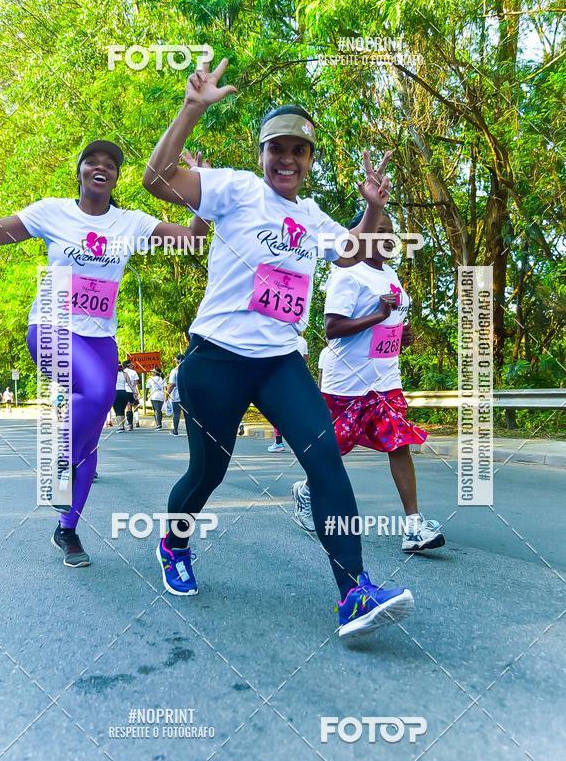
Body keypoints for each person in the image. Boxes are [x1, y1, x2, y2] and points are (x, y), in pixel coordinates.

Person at [143, 57, 414, 638]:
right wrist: (191, 108)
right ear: (262, 154)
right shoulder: (235, 189)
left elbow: (364, 250)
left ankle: (354, 592)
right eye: (277, 149)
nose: (287, 160)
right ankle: (173, 541)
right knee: (206, 473)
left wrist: (371, 203)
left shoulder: (312, 215)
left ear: (310, 161)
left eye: (299, 151)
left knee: (325, 464)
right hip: (216, 359)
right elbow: (158, 179)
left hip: (279, 362)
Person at [0, 141, 207, 567]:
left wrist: (204, 194)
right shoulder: (52, 212)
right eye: (92, 162)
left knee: (92, 434)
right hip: (51, 325)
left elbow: (192, 239)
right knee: (97, 396)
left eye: (110, 165)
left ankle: (68, 529)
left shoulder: (130, 222)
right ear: (79, 172)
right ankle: (57, 457)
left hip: (100, 340)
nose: (101, 168)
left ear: (116, 178)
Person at [291, 213, 445, 553]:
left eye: (392, 231)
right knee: (331, 451)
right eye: (380, 230)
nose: (389, 236)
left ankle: (413, 526)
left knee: (399, 441)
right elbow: (332, 328)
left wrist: (400, 335)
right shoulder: (347, 273)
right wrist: (377, 315)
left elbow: (388, 324)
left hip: (385, 379)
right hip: (346, 383)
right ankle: (306, 489)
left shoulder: (390, 274)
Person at [267, 331, 309, 452]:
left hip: (280, 378)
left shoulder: (279, 337)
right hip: (298, 378)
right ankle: (298, 444)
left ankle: (279, 442)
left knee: (278, 411)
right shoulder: (303, 341)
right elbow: (305, 359)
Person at [164, 354, 184, 434]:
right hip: (187, 396)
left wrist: (167, 395)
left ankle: (175, 430)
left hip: (177, 396)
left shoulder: (174, 371)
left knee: (176, 413)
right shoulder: (188, 369)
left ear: (178, 360)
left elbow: (171, 384)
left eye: (176, 360)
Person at [123, 358, 139, 431]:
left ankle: (128, 423)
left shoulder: (122, 372)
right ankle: (130, 424)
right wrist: (136, 392)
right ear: (129, 365)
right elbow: (135, 383)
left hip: (123, 390)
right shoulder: (133, 372)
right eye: (131, 365)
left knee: (127, 408)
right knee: (131, 408)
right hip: (131, 391)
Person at [113, 362, 130, 432]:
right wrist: (134, 392)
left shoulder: (112, 374)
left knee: (117, 411)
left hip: (116, 392)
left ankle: (120, 427)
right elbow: (130, 384)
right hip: (124, 393)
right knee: (122, 410)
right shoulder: (125, 374)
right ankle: (122, 426)